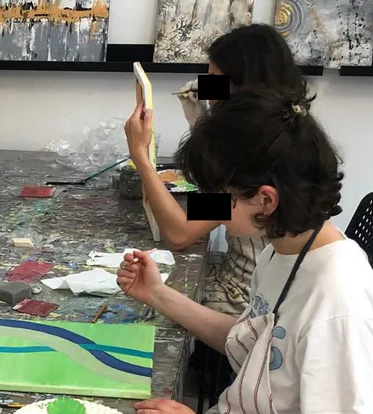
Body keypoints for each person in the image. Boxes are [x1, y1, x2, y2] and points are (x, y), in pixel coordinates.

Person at [118, 87, 373, 414]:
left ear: (265, 200)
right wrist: (158, 294)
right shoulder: (283, 250)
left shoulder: (339, 301)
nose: (209, 205)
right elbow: (253, 343)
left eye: (218, 195)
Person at [124, 24, 313, 319]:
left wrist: (141, 156)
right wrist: (202, 121)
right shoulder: (287, 124)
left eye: (213, 79)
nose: (206, 89)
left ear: (242, 86)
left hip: (246, 295)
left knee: (142, 307)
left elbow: (178, 234)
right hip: (257, 279)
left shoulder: (255, 149)